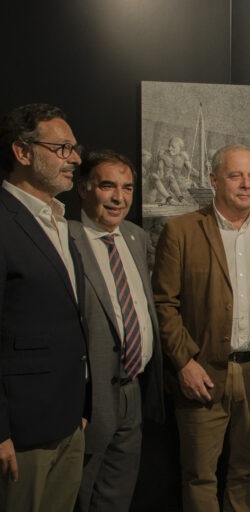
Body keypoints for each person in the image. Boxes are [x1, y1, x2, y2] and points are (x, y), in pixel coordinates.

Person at [153, 143, 250, 511]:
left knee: (249, 470)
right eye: (236, 176)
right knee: (199, 474)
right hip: (202, 372)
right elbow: (164, 303)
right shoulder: (181, 230)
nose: (247, 184)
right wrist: (184, 362)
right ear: (214, 180)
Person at [0, 103, 90, 510]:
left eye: (75, 149)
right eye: (62, 148)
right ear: (23, 152)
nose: (75, 159)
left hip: (67, 421)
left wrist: (81, 407)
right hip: (21, 432)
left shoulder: (59, 221)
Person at [70, 150, 165, 511]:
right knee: (80, 496)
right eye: (108, 186)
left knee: (116, 497)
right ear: (83, 188)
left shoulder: (135, 237)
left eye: (127, 188)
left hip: (132, 390)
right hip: (87, 399)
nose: (119, 198)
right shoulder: (65, 237)